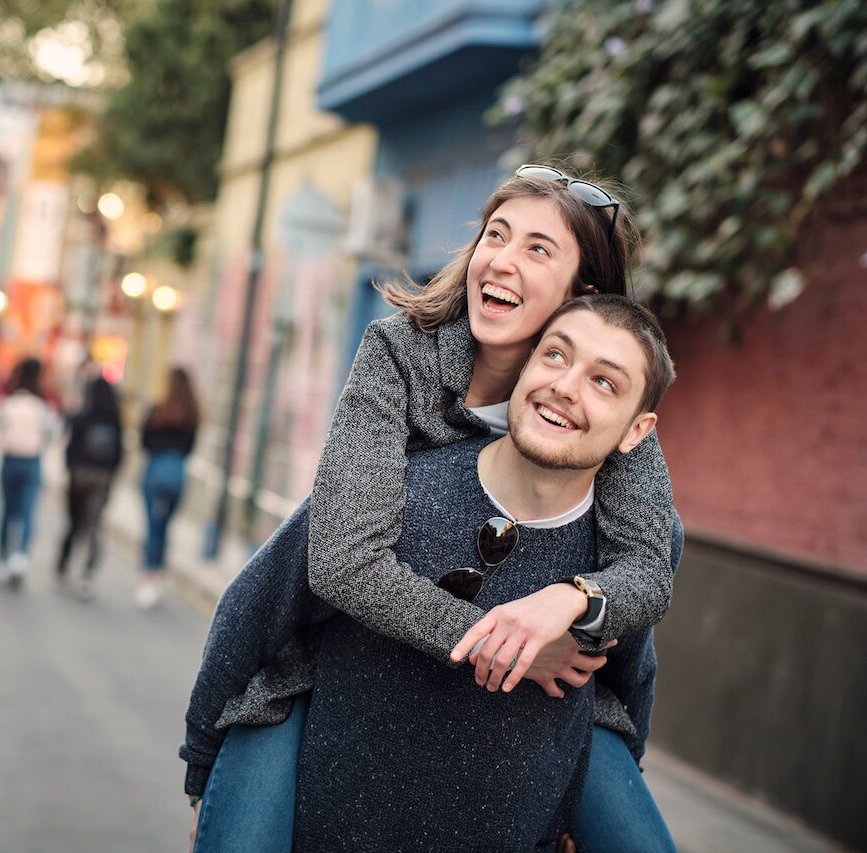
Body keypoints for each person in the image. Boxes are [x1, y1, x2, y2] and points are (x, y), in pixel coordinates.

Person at [183, 167, 678, 850]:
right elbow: (339, 561)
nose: (500, 258)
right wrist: (508, 646)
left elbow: (649, 566)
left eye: (538, 248)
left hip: (517, 720)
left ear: (582, 292)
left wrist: (567, 600)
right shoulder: (400, 353)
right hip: (330, 661)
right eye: (494, 235)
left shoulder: (593, 401)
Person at [136, 367, 199, 609]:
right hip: (177, 473)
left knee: (152, 524)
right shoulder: (192, 413)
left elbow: (144, 441)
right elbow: (190, 447)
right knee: (165, 525)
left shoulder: (157, 410)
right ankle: (158, 573)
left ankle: (148, 576)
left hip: (155, 470)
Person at [57, 377, 124, 599]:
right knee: (95, 526)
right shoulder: (115, 421)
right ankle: (88, 572)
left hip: (80, 477)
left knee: (74, 521)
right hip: (102, 480)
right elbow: (119, 454)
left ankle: (64, 560)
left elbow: (70, 449)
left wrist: (71, 470)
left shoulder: (82, 417)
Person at [0, 357, 56, 585]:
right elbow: (50, 435)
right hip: (31, 461)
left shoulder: (8, 403)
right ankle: (19, 555)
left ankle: (2, 558)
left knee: (8, 511)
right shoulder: (43, 407)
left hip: (10, 459)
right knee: (27, 511)